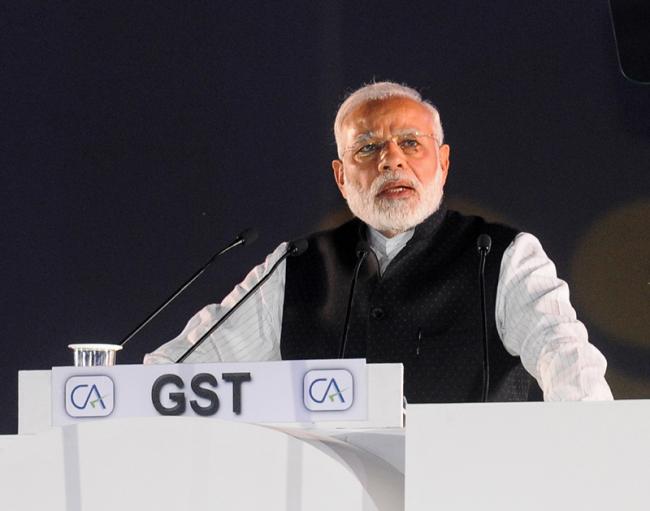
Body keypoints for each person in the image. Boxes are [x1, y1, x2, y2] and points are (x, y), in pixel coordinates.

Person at [145, 81, 613, 402]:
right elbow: (179, 371)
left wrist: (592, 455)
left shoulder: (503, 255)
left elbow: (566, 359)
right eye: (368, 148)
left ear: (443, 163)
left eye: (411, 143)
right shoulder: (297, 266)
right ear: (341, 176)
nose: (391, 160)